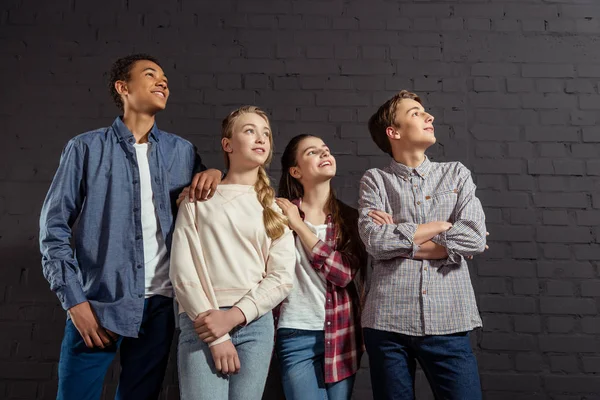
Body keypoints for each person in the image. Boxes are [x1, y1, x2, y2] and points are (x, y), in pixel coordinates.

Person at [39, 53, 222, 400]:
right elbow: (54, 228)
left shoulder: (182, 152)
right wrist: (74, 302)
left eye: (165, 77)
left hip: (161, 305)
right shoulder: (85, 148)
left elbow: (209, 205)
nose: (163, 82)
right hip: (97, 302)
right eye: (150, 74)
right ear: (123, 88)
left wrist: (215, 173)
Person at [358, 90, 488, 400]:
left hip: (449, 319)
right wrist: (442, 228)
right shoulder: (375, 180)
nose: (428, 117)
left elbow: (473, 237)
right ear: (394, 132)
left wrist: (402, 237)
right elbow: (375, 241)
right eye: (416, 113)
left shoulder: (456, 174)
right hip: (387, 323)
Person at [170, 105, 296, 400]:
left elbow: (281, 278)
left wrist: (235, 316)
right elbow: (182, 271)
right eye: (249, 130)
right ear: (227, 144)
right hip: (201, 321)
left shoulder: (275, 209)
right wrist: (217, 334)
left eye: (265, 133)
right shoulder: (197, 200)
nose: (261, 138)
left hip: (255, 324)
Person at [273, 134, 366, 400]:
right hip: (294, 332)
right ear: (295, 171)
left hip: (341, 334)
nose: (324, 154)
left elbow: (342, 274)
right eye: (312, 152)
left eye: (326, 150)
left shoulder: (350, 219)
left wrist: (299, 226)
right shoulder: (277, 212)